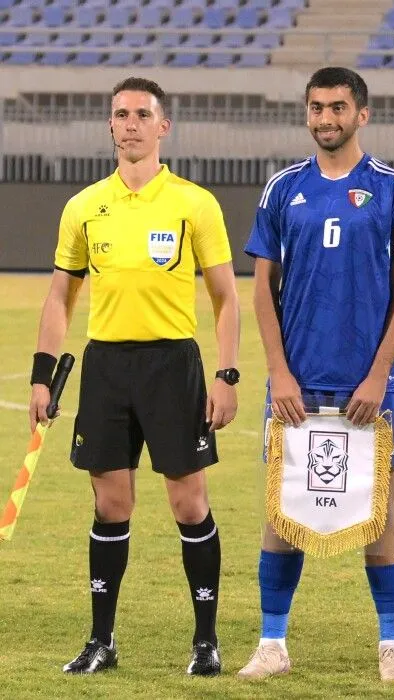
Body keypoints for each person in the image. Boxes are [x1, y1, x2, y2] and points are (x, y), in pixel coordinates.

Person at [28, 77, 239, 676]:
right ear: (110, 125)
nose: (130, 125)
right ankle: (102, 641)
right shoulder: (84, 206)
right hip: (106, 367)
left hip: (173, 366)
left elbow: (226, 297)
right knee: (110, 503)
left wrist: (226, 374)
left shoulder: (194, 203)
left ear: (162, 125)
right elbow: (59, 299)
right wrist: (42, 376)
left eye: (142, 115)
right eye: (120, 115)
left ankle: (205, 641)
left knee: (188, 504)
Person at [236, 67, 394, 683]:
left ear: (361, 114)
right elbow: (262, 288)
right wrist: (279, 374)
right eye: (316, 107)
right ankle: (272, 643)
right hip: (297, 379)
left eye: (338, 107)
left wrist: (377, 376)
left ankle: (391, 647)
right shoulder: (281, 189)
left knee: (381, 512)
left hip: (370, 385)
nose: (325, 118)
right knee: (282, 510)